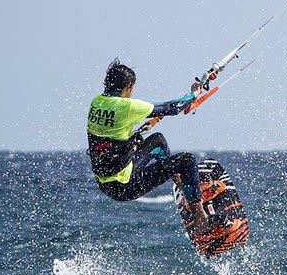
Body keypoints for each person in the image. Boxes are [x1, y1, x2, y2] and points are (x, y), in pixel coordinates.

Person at [87, 58, 210, 233]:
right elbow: (173, 108)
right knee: (188, 160)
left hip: (107, 180)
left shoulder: (97, 102)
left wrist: (129, 144)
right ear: (128, 86)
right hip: (124, 186)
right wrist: (193, 94)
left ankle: (182, 186)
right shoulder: (126, 106)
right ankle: (200, 217)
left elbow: (108, 137)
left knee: (157, 140)